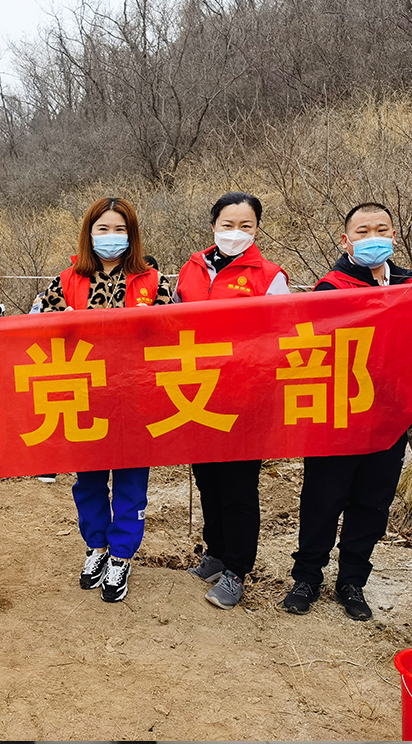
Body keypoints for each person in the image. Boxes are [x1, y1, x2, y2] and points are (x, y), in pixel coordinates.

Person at [38, 196, 173, 603]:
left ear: (132, 235)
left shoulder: (154, 281)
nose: (111, 236)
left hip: (136, 398)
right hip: (85, 397)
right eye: (103, 229)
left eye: (120, 229)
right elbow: (35, 330)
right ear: (89, 233)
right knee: (89, 482)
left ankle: (121, 555)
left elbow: (174, 335)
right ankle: (96, 546)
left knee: (131, 482)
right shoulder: (66, 281)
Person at [283, 202, 411, 620]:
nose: (373, 238)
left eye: (381, 230)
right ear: (346, 240)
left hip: (389, 418)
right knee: (322, 500)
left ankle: (352, 581)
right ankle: (307, 577)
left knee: (372, 503)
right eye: (363, 231)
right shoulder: (330, 289)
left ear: (394, 236)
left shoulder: (408, 287)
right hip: (336, 416)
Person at [175, 191, 289, 610]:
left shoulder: (269, 276)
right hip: (197, 394)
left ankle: (237, 569)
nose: (236, 232)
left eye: (246, 225)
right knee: (207, 480)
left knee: (238, 487)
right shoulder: (191, 269)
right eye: (228, 224)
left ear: (257, 229)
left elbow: (280, 338)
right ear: (213, 226)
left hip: (244, 398)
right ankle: (217, 553)